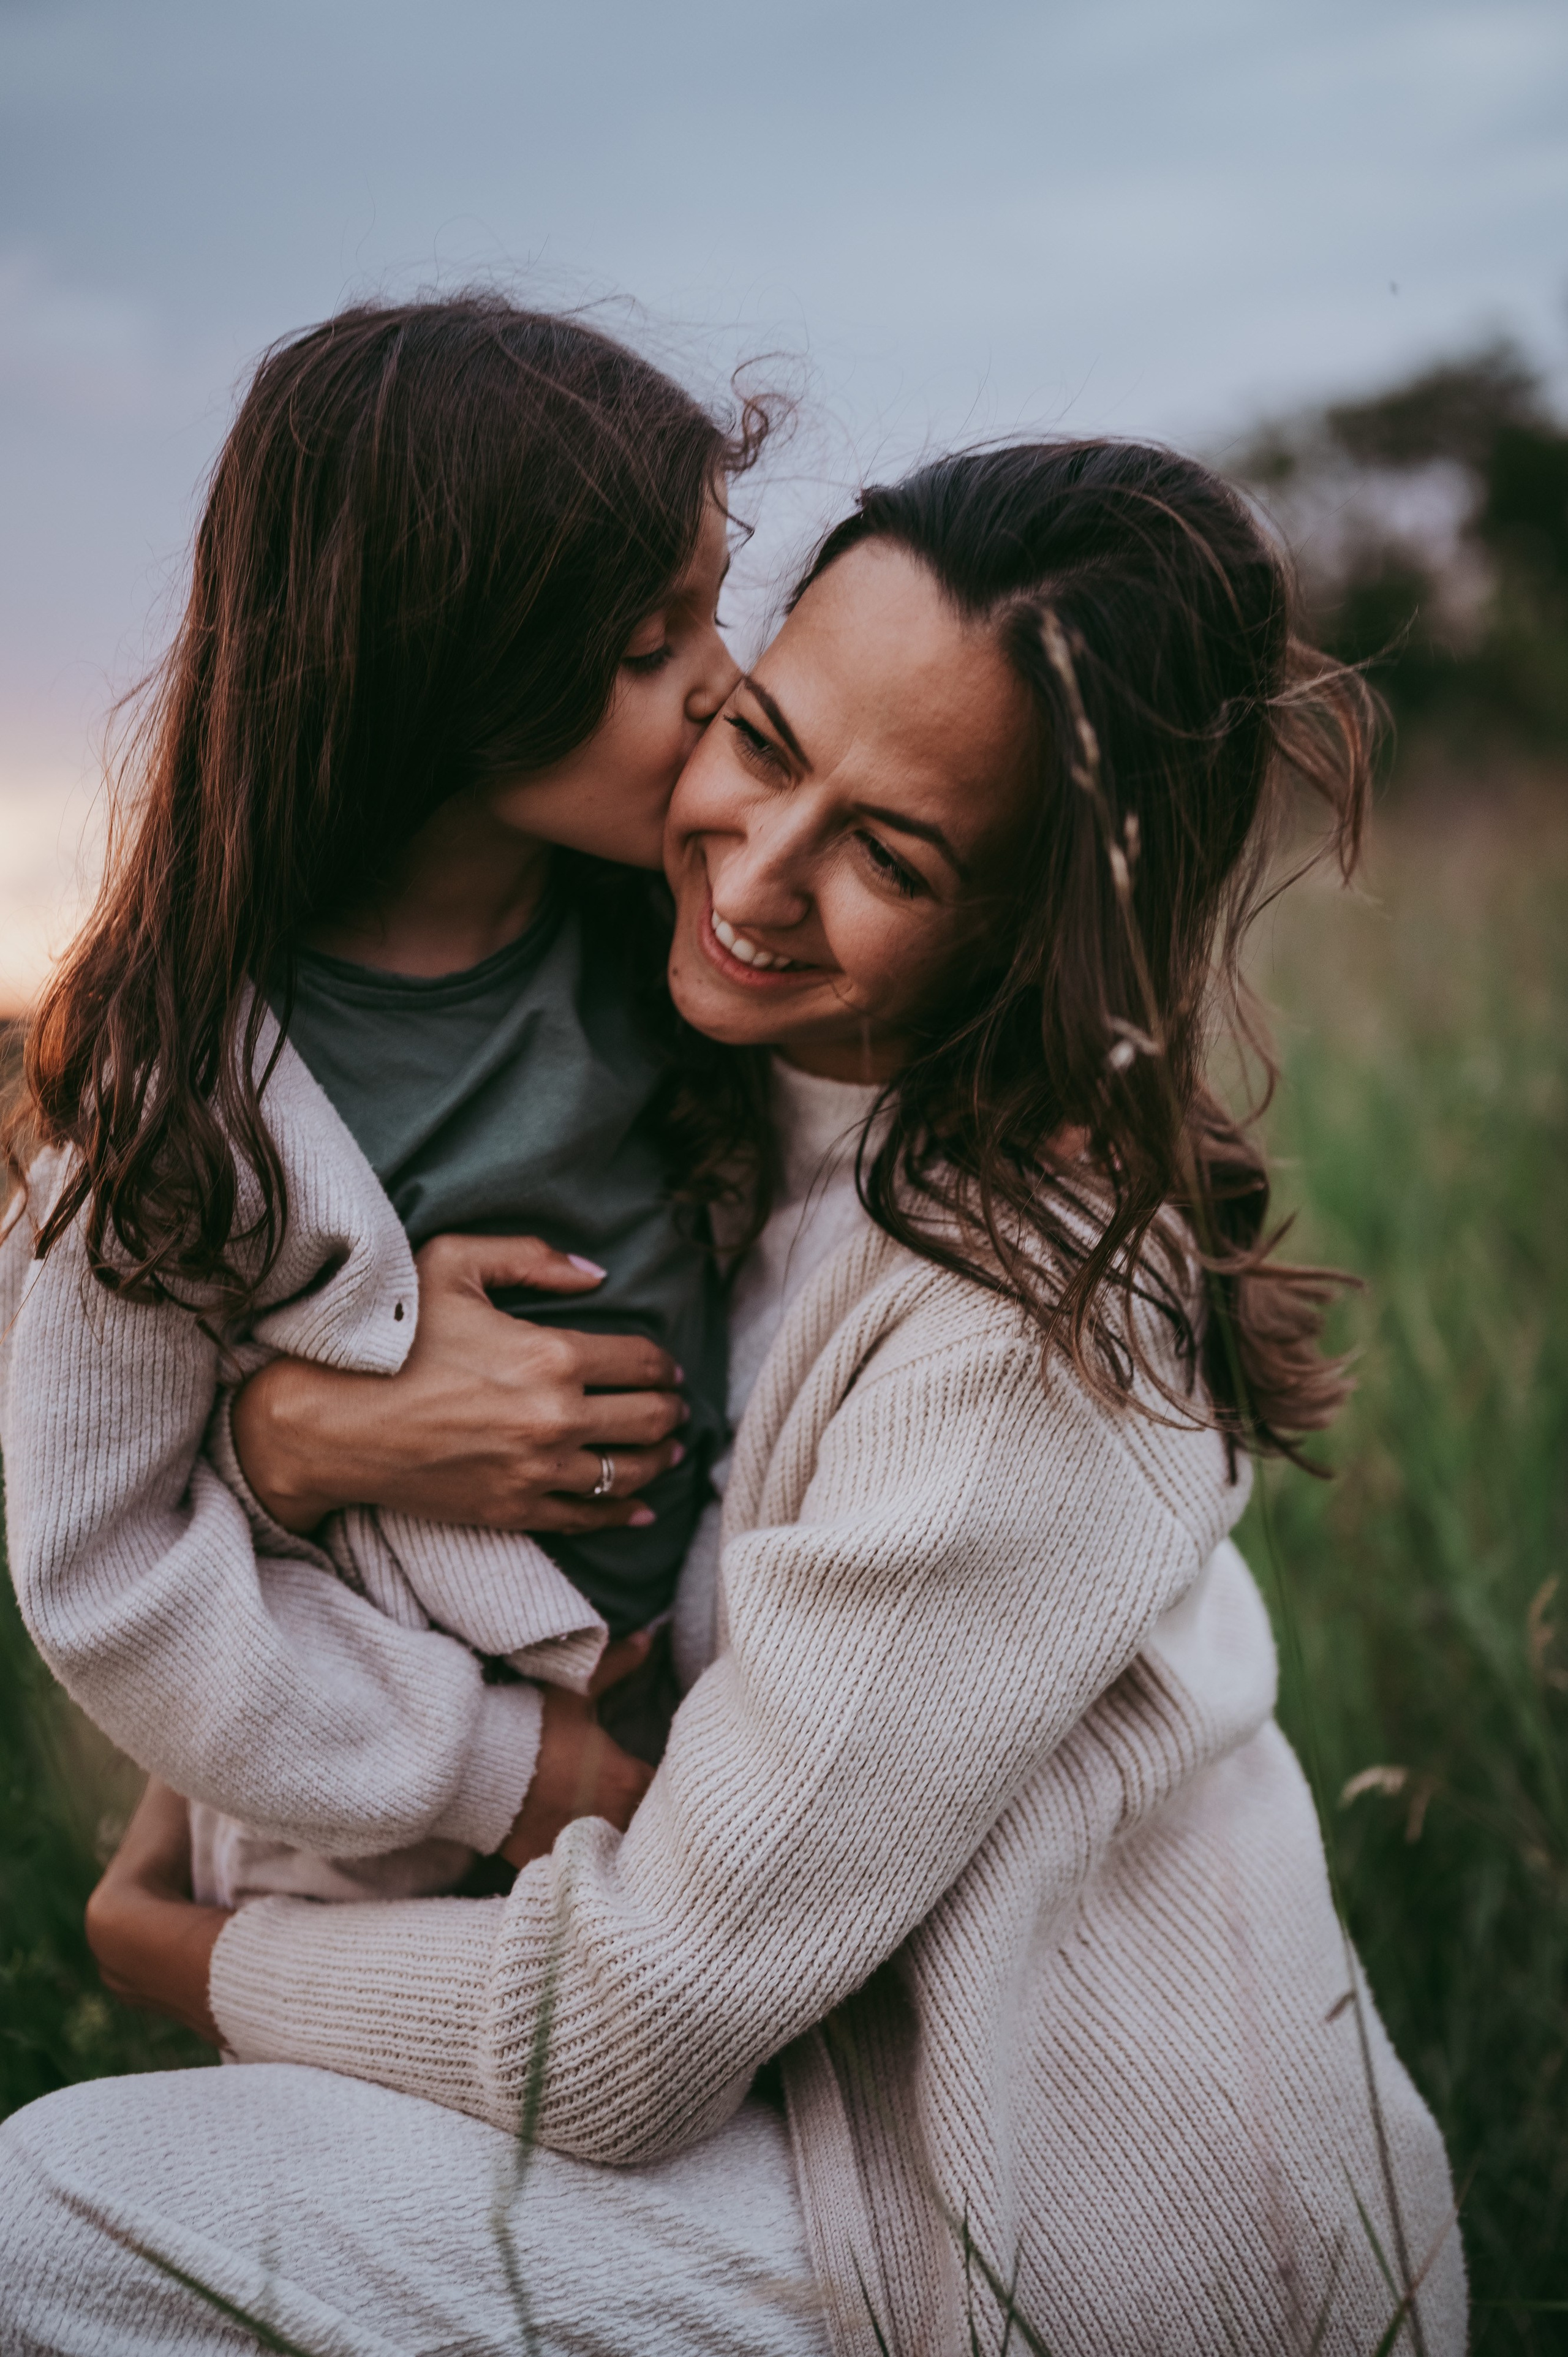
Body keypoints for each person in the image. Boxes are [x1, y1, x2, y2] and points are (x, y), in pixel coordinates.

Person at [0, 441, 1467, 2355]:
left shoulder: (1024, 1336)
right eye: (765, 744)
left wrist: (188, 1953)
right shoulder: (682, 1076)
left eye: (894, 853)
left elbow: (629, 2036)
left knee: (45, 2219)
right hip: (827, 2116)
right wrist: (296, 1436)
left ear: (1035, 922)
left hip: (1048, 2241)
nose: (758, 875)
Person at [0, 293, 777, 1910]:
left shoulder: (675, 946)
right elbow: (103, 1562)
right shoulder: (188, 1091)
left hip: (722, 1750)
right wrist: (503, 1770)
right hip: (372, 1833)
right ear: (443, 669)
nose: (723, 687)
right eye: (651, 649)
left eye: (714, 617)